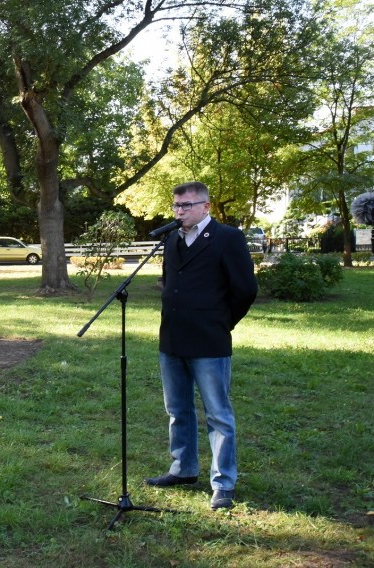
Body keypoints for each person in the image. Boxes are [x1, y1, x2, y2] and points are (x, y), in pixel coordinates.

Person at [144, 181, 258, 510]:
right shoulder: (171, 240)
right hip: (173, 339)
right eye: (176, 206)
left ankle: (223, 483)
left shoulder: (227, 238)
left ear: (206, 207)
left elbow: (245, 290)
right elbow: (170, 282)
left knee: (218, 416)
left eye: (187, 206)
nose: (180, 212)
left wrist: (222, 322)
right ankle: (183, 470)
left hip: (210, 340)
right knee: (177, 410)